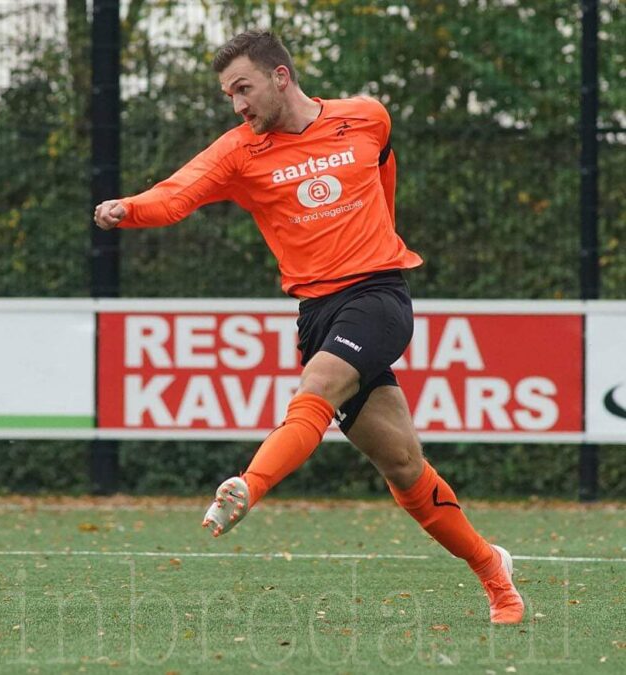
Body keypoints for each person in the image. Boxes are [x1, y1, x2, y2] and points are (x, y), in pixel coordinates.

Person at [93, 30, 524, 625]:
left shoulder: (365, 117)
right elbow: (178, 194)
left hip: (377, 294)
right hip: (317, 313)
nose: (237, 105)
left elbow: (383, 174)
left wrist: (382, 246)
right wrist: (128, 208)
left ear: (280, 76)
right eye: (228, 95)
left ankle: (248, 485)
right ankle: (494, 571)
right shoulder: (239, 151)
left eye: (242, 89)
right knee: (402, 465)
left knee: (315, 391)